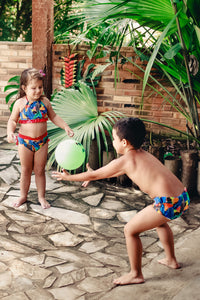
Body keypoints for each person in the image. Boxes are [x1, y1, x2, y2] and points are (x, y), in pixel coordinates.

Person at [52, 117, 190, 285]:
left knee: (130, 230)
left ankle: (136, 274)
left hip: (168, 203)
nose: (113, 141)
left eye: (114, 138)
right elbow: (105, 173)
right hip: (182, 197)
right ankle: (171, 260)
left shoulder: (125, 161)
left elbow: (97, 174)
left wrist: (69, 177)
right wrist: (93, 175)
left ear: (124, 142)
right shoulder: (142, 154)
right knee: (160, 222)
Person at [7, 68, 74, 209]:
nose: (38, 91)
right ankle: (23, 196)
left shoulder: (45, 102)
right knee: (25, 170)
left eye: (40, 87)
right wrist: (10, 132)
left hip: (41, 142)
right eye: (34, 88)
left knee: (39, 170)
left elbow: (54, 117)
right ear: (24, 88)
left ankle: (41, 197)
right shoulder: (20, 103)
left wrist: (65, 127)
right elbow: (12, 120)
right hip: (24, 142)